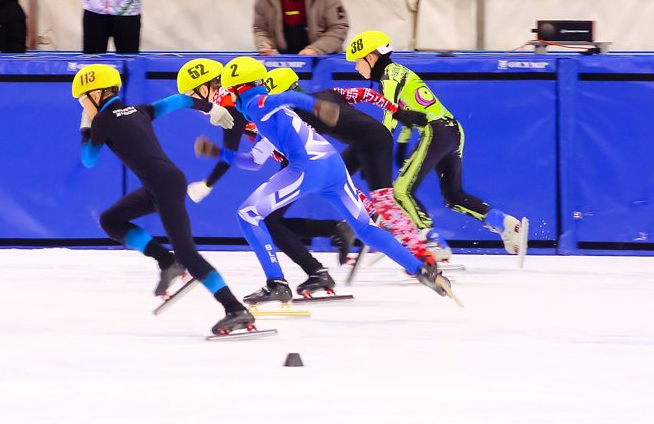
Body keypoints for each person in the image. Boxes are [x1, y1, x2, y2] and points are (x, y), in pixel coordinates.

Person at [195, 56, 457, 305]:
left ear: (238, 88)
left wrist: (317, 107)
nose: (229, 99)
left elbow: (283, 97)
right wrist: (218, 152)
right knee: (365, 228)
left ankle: (277, 284)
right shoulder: (268, 116)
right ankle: (422, 270)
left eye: (230, 92)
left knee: (248, 214)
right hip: (332, 166)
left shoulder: (256, 104)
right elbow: (253, 161)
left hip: (306, 168)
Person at [74, 63, 260, 338]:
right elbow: (179, 100)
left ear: (96, 94)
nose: (83, 107)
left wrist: (86, 127)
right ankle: (166, 261)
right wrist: (211, 108)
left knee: (187, 254)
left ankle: (235, 309)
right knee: (110, 220)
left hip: (163, 186)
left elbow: (88, 160)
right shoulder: (139, 110)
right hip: (162, 185)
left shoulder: (102, 120)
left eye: (83, 101)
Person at [345, 30, 529, 260]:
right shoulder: (398, 72)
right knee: (453, 195)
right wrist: (402, 144)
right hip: (453, 130)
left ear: (371, 58)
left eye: (357, 61)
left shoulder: (388, 78)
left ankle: (432, 243)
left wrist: (373, 151)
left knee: (401, 191)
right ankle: (505, 223)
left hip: (435, 131)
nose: (356, 68)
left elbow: (390, 117)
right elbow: (406, 112)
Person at [175, 59, 352, 294]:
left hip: (298, 157)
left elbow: (231, 147)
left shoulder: (228, 101)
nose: (193, 105)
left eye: (192, 96)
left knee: (263, 219)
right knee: (270, 221)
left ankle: (309, 268)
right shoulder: (228, 97)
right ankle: (330, 239)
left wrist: (208, 183)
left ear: (204, 88)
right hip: (296, 152)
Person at [262, 67, 438, 266]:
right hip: (364, 142)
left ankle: (421, 253)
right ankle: (375, 215)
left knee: (385, 202)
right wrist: (399, 113)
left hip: (375, 144)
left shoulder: (301, 117)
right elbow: (367, 94)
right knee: (337, 181)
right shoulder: (328, 93)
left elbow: (296, 150)